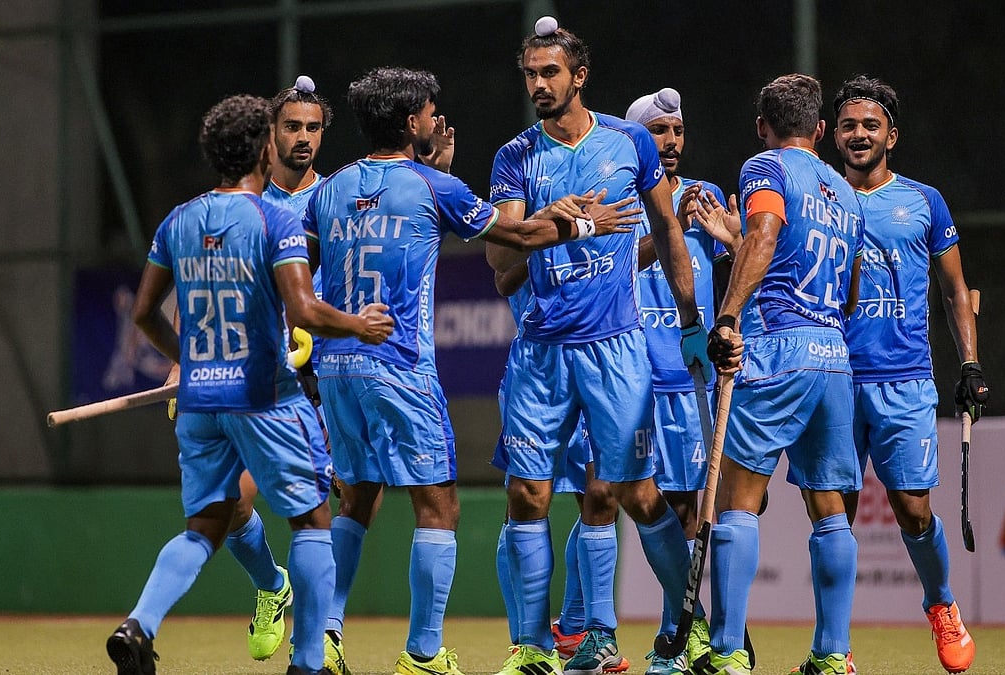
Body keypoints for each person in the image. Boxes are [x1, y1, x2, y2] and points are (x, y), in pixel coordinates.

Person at [303, 65, 641, 675]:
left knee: (355, 501)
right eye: (432, 112)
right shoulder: (433, 186)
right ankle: (425, 654)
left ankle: (324, 635)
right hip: (399, 365)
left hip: (336, 367)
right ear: (412, 123)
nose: (439, 120)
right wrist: (584, 221)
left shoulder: (329, 189)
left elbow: (310, 261)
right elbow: (516, 235)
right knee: (439, 509)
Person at [108, 93, 394, 675]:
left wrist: (187, 359)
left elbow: (143, 316)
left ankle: (139, 623)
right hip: (265, 397)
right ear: (265, 147)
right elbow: (305, 309)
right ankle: (309, 661)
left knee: (206, 525)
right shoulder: (275, 218)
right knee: (313, 522)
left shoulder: (178, 221)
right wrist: (358, 324)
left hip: (199, 403)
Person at [486, 19, 711, 675]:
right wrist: (566, 220)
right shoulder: (514, 157)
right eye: (529, 74)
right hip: (540, 353)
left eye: (549, 72)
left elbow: (669, 229)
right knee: (527, 494)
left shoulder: (629, 142)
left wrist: (692, 319)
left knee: (629, 494)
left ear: (577, 75)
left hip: (615, 349)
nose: (537, 84)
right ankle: (530, 647)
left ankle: (678, 628)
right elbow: (503, 260)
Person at [698, 73, 865, 675]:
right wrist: (738, 241)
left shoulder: (764, 168)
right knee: (830, 510)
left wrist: (727, 316)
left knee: (739, 501)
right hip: (833, 358)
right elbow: (845, 292)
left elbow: (768, 233)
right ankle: (832, 653)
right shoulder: (846, 194)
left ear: (763, 128)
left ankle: (726, 654)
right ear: (821, 130)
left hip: (777, 350)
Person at [829, 74, 985, 674]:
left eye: (871, 125)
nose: (859, 134)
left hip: (904, 379)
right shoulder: (817, 196)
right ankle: (832, 649)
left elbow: (954, 291)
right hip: (833, 378)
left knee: (913, 509)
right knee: (832, 513)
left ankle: (942, 604)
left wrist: (969, 363)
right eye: (848, 125)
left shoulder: (924, 200)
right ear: (833, 135)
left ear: (891, 134)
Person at [624, 87, 742, 675]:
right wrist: (665, 223)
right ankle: (677, 627)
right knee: (646, 504)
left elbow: (752, 260)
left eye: (676, 131)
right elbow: (617, 265)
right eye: (657, 132)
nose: (670, 143)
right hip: (635, 376)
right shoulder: (622, 198)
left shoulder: (708, 197)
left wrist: (724, 234)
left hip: (691, 381)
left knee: (698, 510)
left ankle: (696, 634)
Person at [490, 268, 626, 672]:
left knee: (599, 496)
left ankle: (573, 626)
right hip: (538, 366)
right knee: (523, 499)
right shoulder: (524, 210)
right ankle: (528, 643)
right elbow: (503, 269)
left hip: (597, 357)